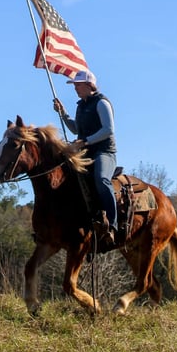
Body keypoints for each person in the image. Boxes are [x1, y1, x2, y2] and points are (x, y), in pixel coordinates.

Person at [53, 69, 118, 244]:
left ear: (90, 85)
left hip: (104, 152)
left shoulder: (101, 103)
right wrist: (63, 113)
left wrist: (86, 142)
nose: (75, 88)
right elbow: (76, 130)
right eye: (75, 85)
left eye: (78, 85)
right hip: (85, 152)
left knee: (101, 178)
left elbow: (108, 130)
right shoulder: (80, 106)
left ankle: (112, 224)